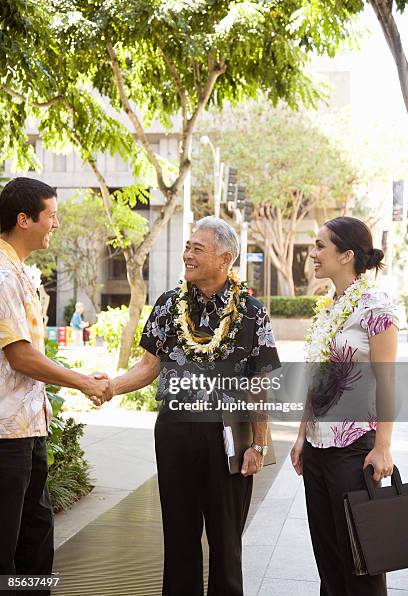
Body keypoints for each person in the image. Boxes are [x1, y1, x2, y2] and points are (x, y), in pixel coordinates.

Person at [102, 216, 281, 596]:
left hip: (228, 435)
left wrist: (259, 444)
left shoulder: (251, 312)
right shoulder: (169, 304)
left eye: (197, 249)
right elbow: (149, 365)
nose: (187, 255)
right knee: (179, 535)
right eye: (187, 247)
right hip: (175, 432)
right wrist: (111, 386)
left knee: (226, 541)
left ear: (225, 258)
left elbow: (260, 383)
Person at [0, 177, 109, 595]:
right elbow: (21, 356)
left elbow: (32, 356)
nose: (57, 224)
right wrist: (82, 382)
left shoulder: (20, 272)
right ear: (23, 219)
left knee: (35, 539)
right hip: (6, 436)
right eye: (52, 215)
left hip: (29, 427)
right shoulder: (4, 275)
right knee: (8, 546)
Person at [291, 216, 399, 596]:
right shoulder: (330, 307)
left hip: (354, 451)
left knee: (360, 560)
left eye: (321, 246)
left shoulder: (376, 306)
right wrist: (302, 436)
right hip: (319, 450)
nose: (314, 253)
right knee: (329, 559)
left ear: (347, 254)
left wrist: (383, 446)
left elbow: (387, 380)